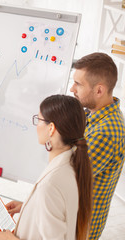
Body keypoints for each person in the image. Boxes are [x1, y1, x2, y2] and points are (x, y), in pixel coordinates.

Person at [0, 95, 93, 240]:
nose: (36, 125)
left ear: (51, 128)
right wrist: (28, 207)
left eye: (39, 119)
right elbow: (61, 211)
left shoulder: (50, 185)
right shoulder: (72, 165)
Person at [70, 52, 125, 239]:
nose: (72, 88)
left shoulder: (106, 132)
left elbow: (67, 178)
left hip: (76, 226)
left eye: (78, 84)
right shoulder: (94, 117)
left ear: (99, 90)